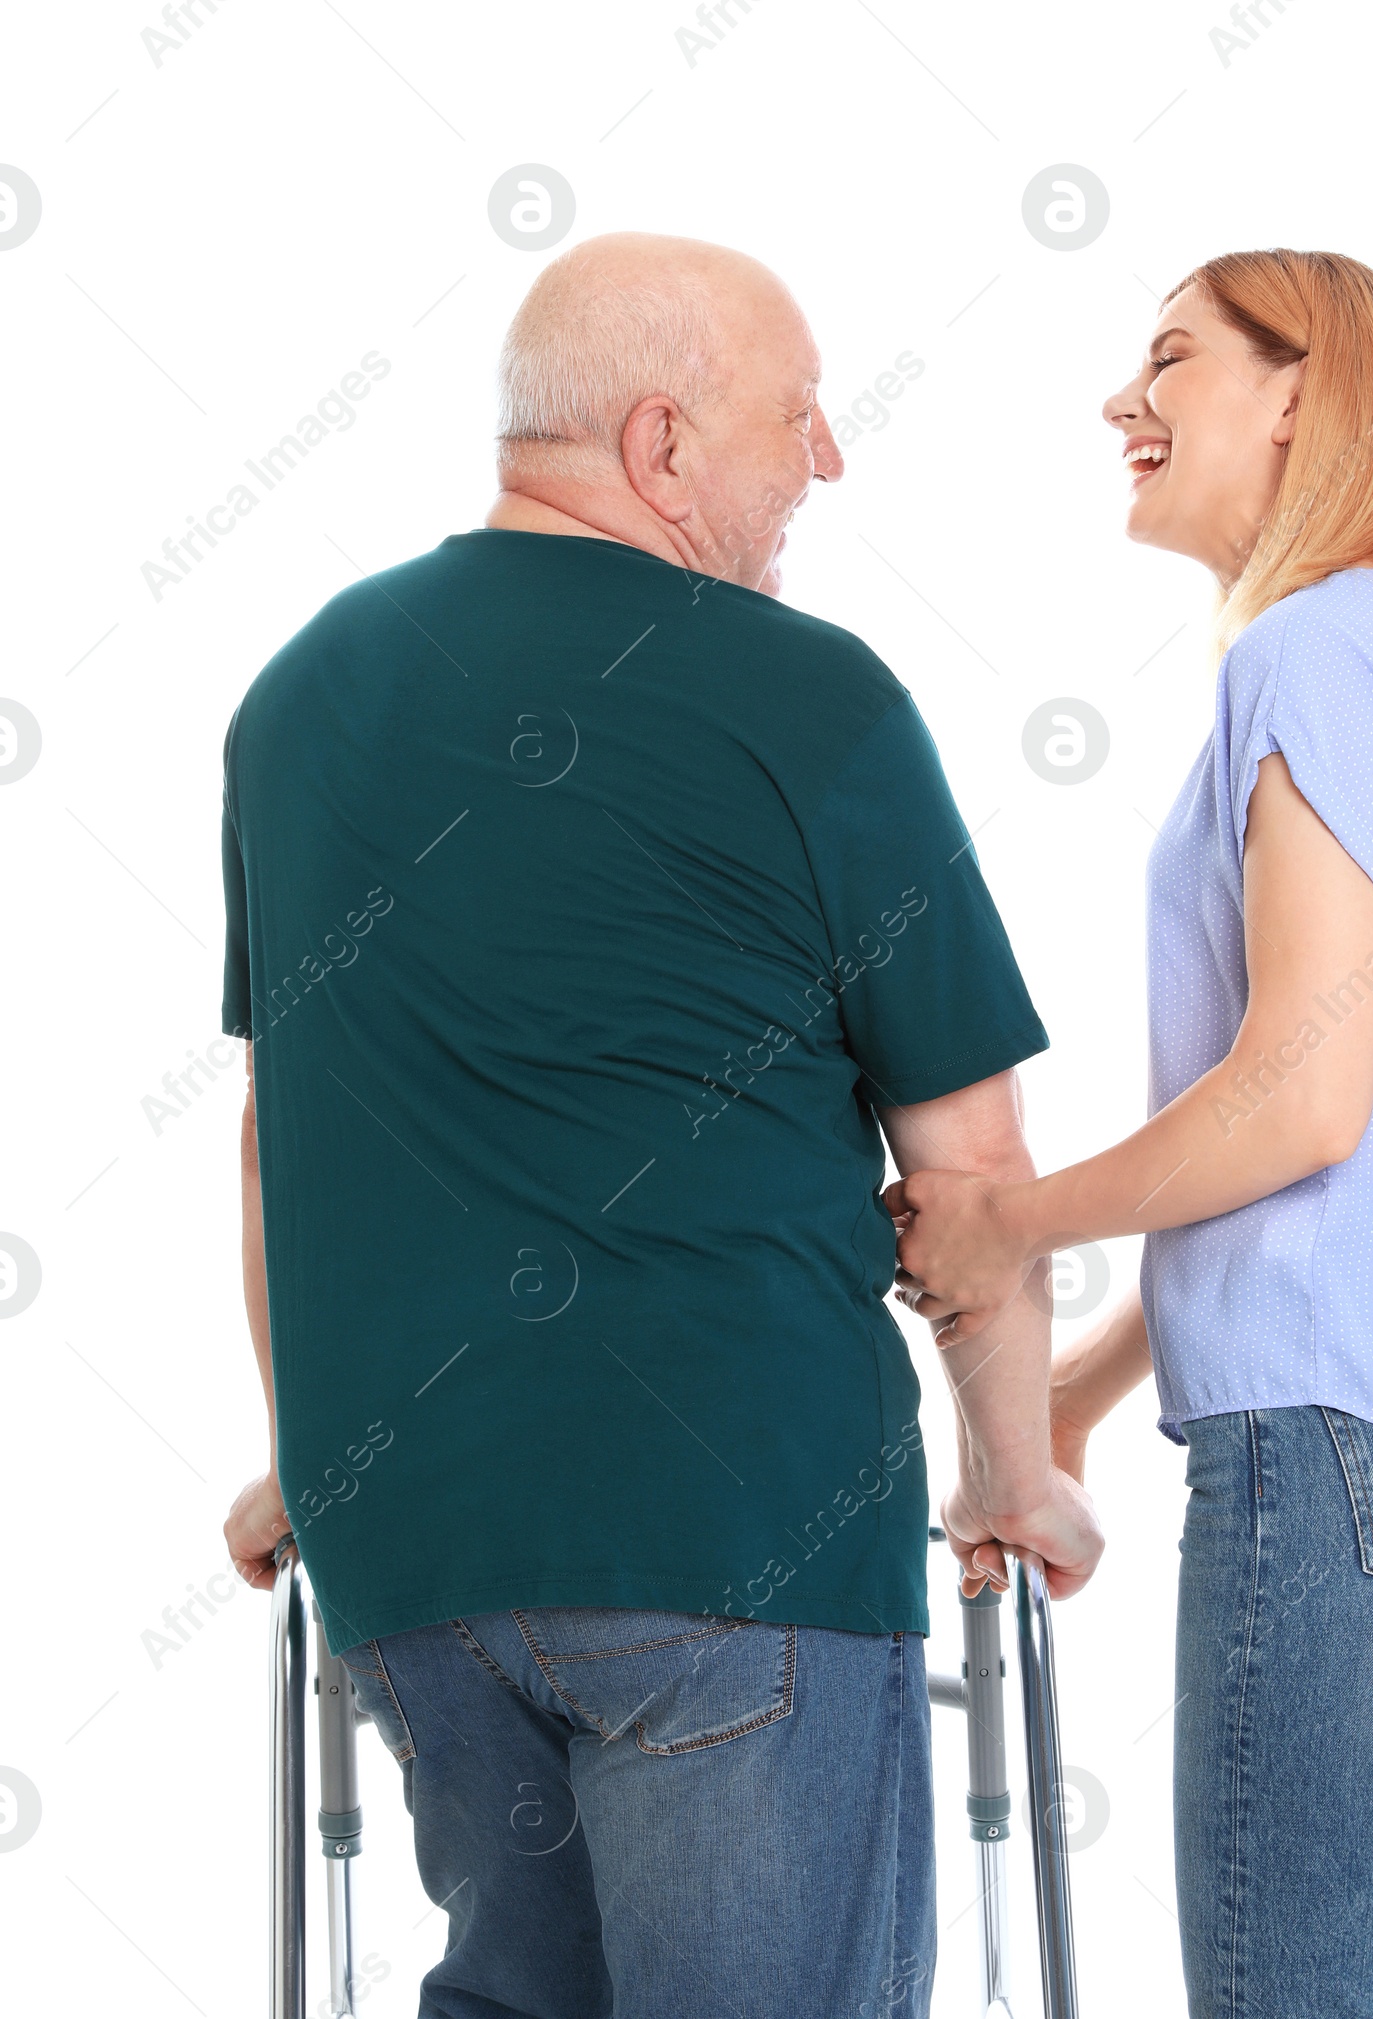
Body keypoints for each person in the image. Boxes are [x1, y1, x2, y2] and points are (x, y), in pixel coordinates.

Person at [219, 232, 1101, 2019]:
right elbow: (973, 1174)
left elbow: (280, 1137)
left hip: (420, 1555)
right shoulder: (815, 700)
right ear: (663, 445)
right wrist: (1018, 1473)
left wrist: (305, 1452)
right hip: (738, 1531)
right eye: (800, 416)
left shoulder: (295, 697)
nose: (829, 459)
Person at [891, 249, 1373, 2017]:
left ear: (1302, 396)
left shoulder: (1309, 649)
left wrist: (1015, 1225)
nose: (1122, 403)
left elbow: (1300, 1090)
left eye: (1170, 359)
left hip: (1358, 1485)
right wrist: (1088, 1380)